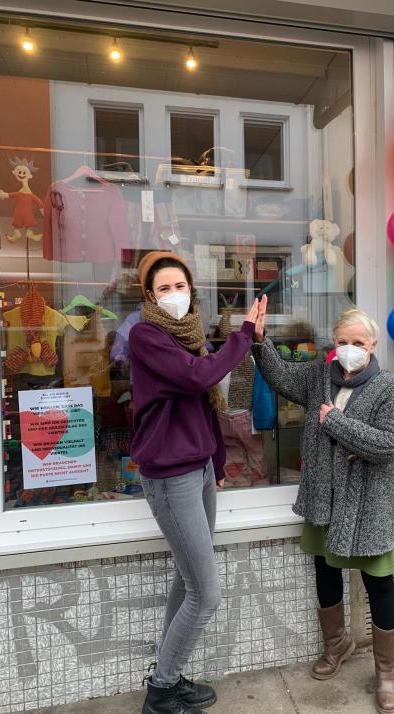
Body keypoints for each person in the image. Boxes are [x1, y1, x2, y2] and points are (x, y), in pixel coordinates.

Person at [252, 306, 394, 714]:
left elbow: (390, 446)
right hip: (324, 498)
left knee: (379, 583)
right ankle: (336, 644)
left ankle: (387, 670)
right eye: (343, 342)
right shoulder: (320, 376)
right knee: (326, 571)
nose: (350, 349)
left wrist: (336, 423)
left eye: (358, 343)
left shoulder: (389, 388)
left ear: (373, 345)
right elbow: (281, 375)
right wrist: (258, 340)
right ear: (333, 344)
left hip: (367, 507)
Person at [129, 250, 266, 714]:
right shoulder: (146, 336)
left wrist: (219, 459)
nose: (174, 295)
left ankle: (171, 675)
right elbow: (199, 378)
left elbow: (204, 406)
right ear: (150, 295)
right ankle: (162, 692)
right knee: (205, 593)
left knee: (187, 583)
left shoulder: (188, 336)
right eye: (164, 288)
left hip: (199, 468)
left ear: (192, 291)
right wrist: (243, 336)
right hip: (171, 476)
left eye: (180, 286)